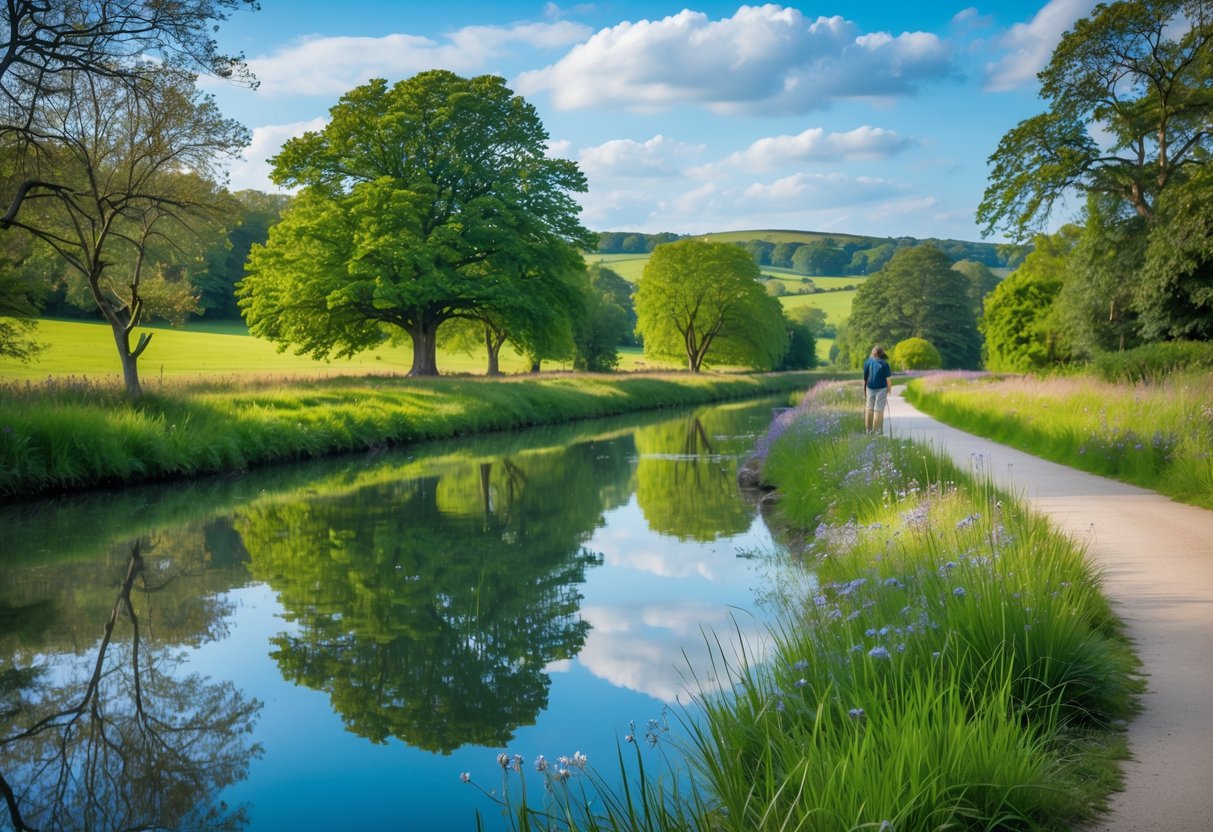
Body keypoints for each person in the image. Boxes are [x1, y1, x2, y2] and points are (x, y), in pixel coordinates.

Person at [862, 345, 892, 435]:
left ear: (872, 352)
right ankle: (877, 432)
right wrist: (889, 389)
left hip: (870, 388)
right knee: (878, 410)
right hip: (881, 389)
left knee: (869, 409)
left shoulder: (867, 362)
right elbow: (888, 380)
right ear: (881, 353)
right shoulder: (885, 364)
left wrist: (864, 390)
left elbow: (865, 379)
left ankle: (868, 431)